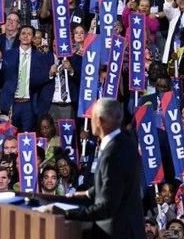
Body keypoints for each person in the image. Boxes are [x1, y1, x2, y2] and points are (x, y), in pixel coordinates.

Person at [61, 98, 144, 238]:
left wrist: (66, 213)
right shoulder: (126, 142)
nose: (90, 121)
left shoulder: (112, 154)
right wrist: (88, 193)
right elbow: (115, 183)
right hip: (131, 227)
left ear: (99, 121)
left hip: (117, 231)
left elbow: (107, 206)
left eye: (92, 117)